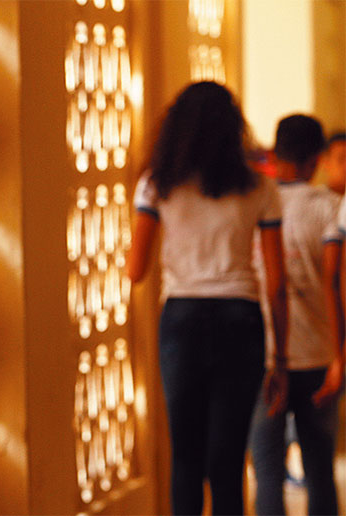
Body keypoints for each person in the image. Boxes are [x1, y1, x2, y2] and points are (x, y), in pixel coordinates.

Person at [127, 81, 288, 515]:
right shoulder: (260, 188)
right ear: (234, 127)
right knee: (228, 461)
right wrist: (281, 360)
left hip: (183, 318)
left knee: (186, 457)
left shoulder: (157, 185)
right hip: (242, 319)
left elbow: (135, 269)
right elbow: (275, 283)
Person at [248, 115, 341, 516]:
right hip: (319, 357)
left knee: (267, 471)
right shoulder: (331, 209)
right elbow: (337, 286)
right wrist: (341, 355)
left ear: (275, 152)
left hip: (264, 356)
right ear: (317, 158)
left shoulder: (254, 203)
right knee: (320, 471)